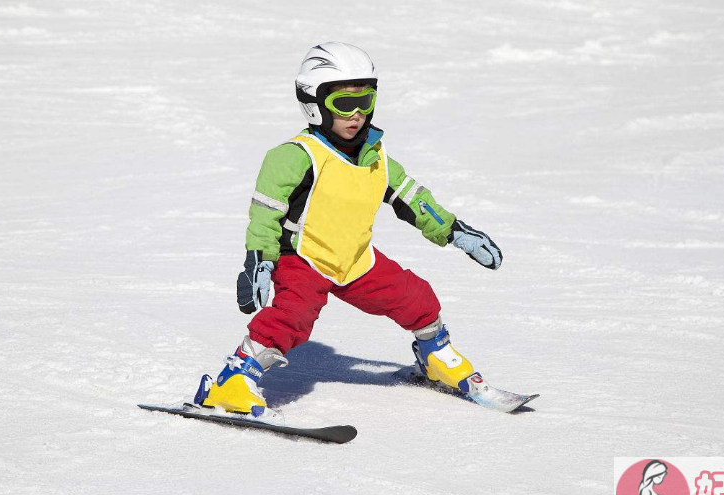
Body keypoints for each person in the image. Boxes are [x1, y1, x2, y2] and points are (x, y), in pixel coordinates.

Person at [193, 42, 503, 420]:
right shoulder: (294, 156)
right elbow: (264, 216)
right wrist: (259, 260)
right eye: (343, 103)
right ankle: (233, 379)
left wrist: (454, 231)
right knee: (294, 314)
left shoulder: (377, 157)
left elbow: (415, 200)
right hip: (304, 258)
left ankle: (435, 358)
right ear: (315, 104)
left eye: (366, 100)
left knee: (417, 297)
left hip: (356, 260)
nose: (357, 114)